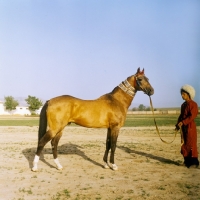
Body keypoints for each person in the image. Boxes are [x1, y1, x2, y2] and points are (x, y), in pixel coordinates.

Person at [175, 84, 199, 168]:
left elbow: (192, 116)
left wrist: (184, 122)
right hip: (183, 128)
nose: (182, 96)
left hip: (190, 127)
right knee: (184, 144)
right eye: (181, 94)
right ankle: (186, 162)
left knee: (191, 144)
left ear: (189, 94)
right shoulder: (183, 105)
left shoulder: (193, 104)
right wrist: (178, 124)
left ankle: (194, 163)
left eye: (183, 94)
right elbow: (181, 116)